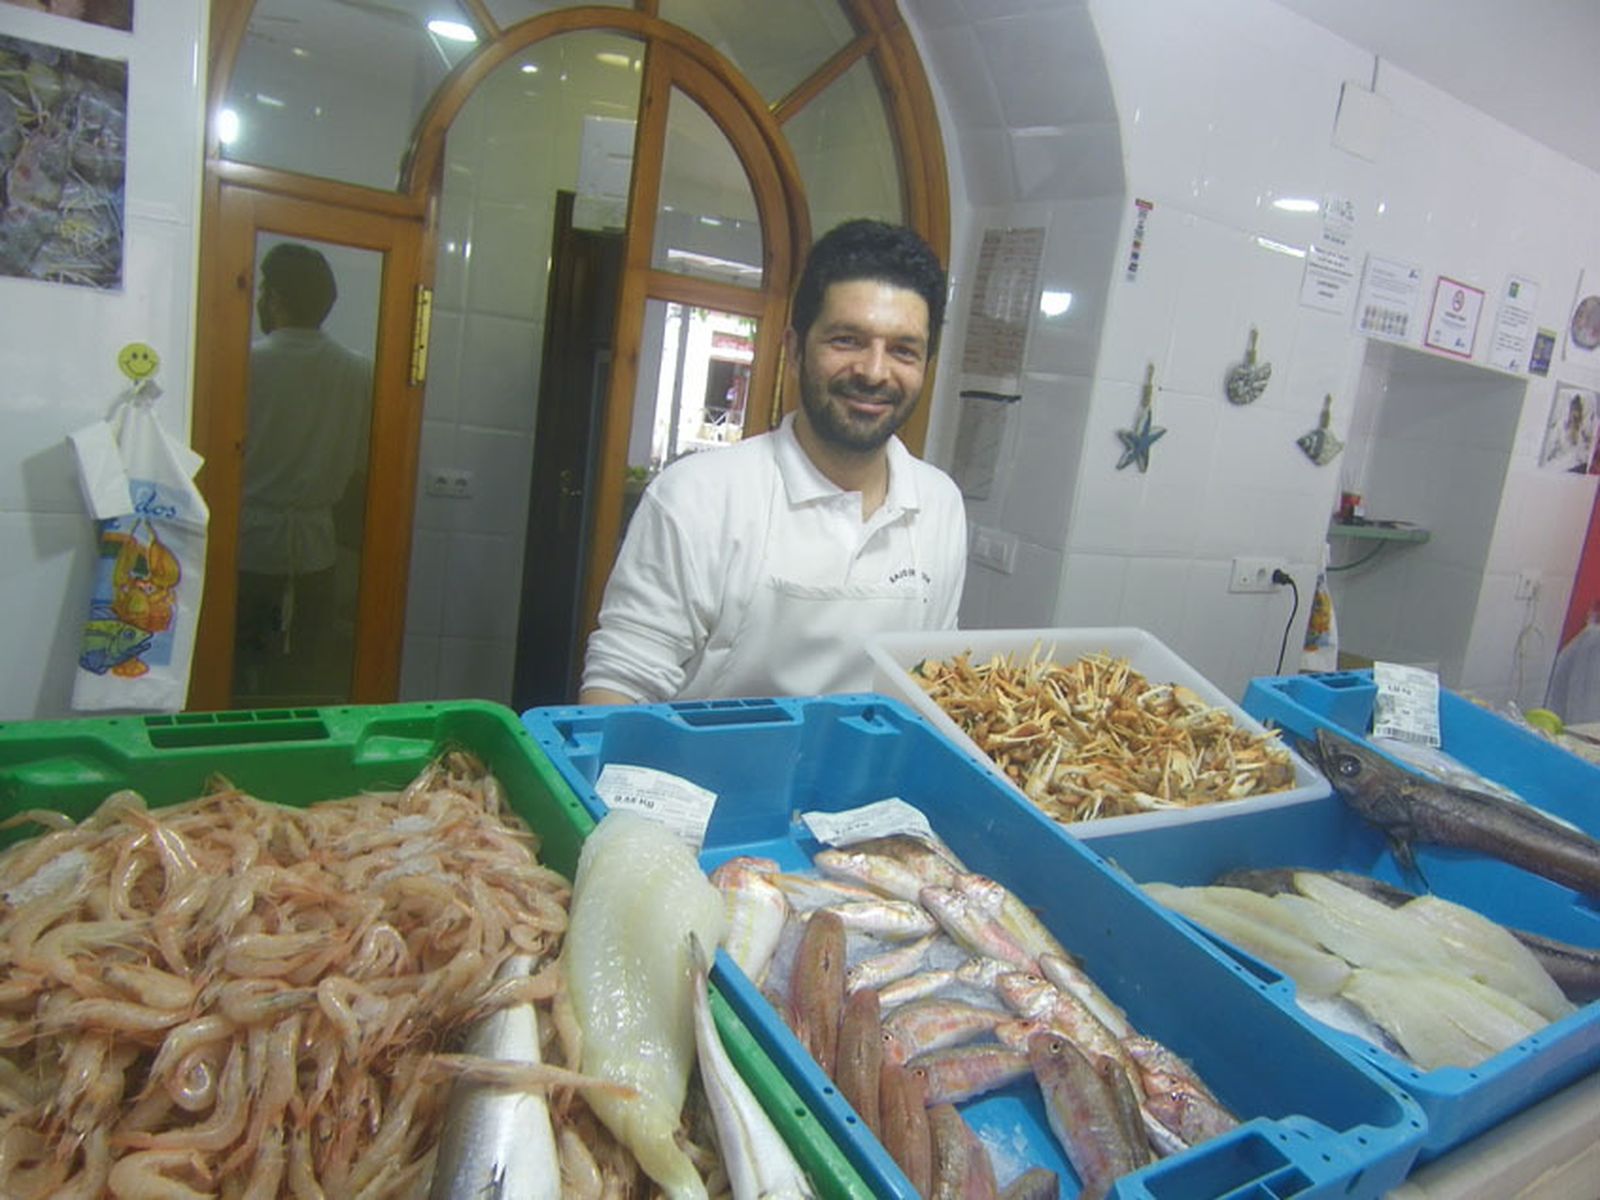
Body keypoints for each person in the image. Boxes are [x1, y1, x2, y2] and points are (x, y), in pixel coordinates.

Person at [580, 219, 967, 704]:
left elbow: (931, 684)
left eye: (903, 350)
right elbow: (619, 684)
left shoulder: (939, 505)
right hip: (700, 776)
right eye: (846, 340)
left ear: (925, 367)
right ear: (795, 349)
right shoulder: (699, 496)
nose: (873, 371)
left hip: (871, 780)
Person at [235, 242, 373, 695]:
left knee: (240, 675)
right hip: (318, 552)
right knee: (304, 679)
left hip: (249, 548)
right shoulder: (358, 373)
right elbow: (360, 462)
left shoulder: (245, 364)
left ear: (274, 297)